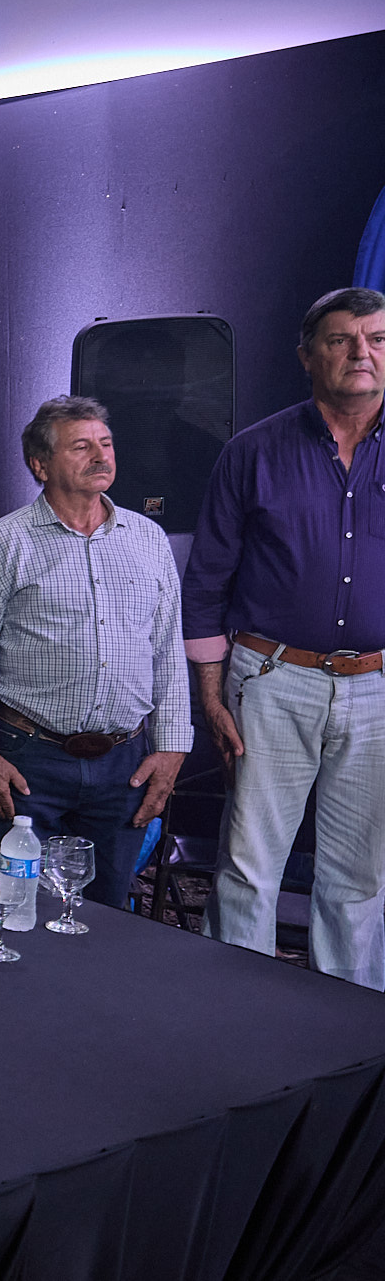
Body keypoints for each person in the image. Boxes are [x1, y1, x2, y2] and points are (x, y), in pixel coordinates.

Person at [184, 288, 385, 988]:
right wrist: (212, 697)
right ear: (307, 355)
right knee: (248, 865)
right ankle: (236, 1022)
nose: (361, 352)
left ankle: (348, 1026)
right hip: (271, 680)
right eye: (341, 339)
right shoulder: (252, 452)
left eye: (377, 339)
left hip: (378, 685)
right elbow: (206, 581)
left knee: (362, 875)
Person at [0, 396, 190, 907]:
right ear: (40, 465)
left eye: (106, 443)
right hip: (27, 760)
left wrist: (172, 748)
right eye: (81, 447)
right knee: (11, 907)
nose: (101, 456)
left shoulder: (148, 538)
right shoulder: (5, 540)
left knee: (107, 914)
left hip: (124, 763)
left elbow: (168, 650)